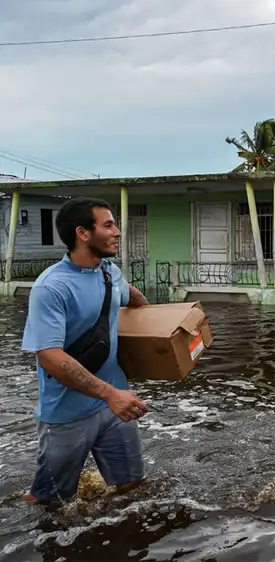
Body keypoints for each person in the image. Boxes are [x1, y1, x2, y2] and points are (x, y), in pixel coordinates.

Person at [21, 197, 151, 505]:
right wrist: (110, 395)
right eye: (108, 225)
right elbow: (50, 356)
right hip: (68, 414)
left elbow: (135, 300)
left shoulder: (110, 273)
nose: (117, 231)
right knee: (49, 501)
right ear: (82, 233)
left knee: (132, 488)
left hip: (115, 406)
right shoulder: (51, 287)